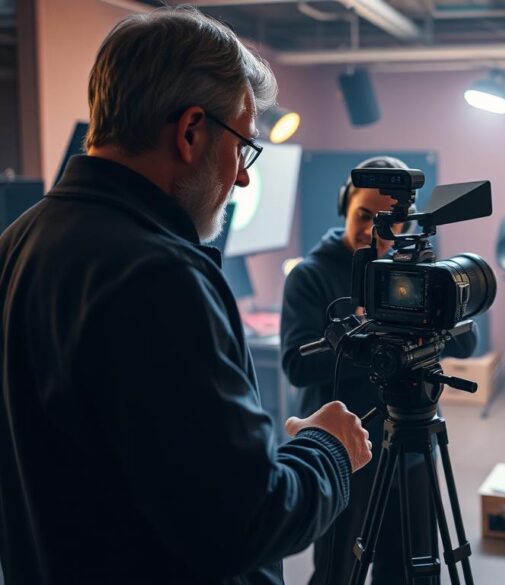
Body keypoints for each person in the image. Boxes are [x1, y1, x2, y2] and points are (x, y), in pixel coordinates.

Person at [0, 8, 372, 584]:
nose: (242, 177)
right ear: (192, 130)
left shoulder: (18, 243)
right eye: (243, 148)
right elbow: (245, 523)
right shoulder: (158, 276)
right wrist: (328, 448)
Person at [281, 156, 474, 584]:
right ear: (344, 206)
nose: (375, 232)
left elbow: (468, 340)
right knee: (338, 569)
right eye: (364, 216)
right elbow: (296, 363)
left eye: (388, 222)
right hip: (346, 446)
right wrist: (372, 339)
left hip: (409, 438)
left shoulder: (414, 271)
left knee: (409, 567)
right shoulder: (310, 276)